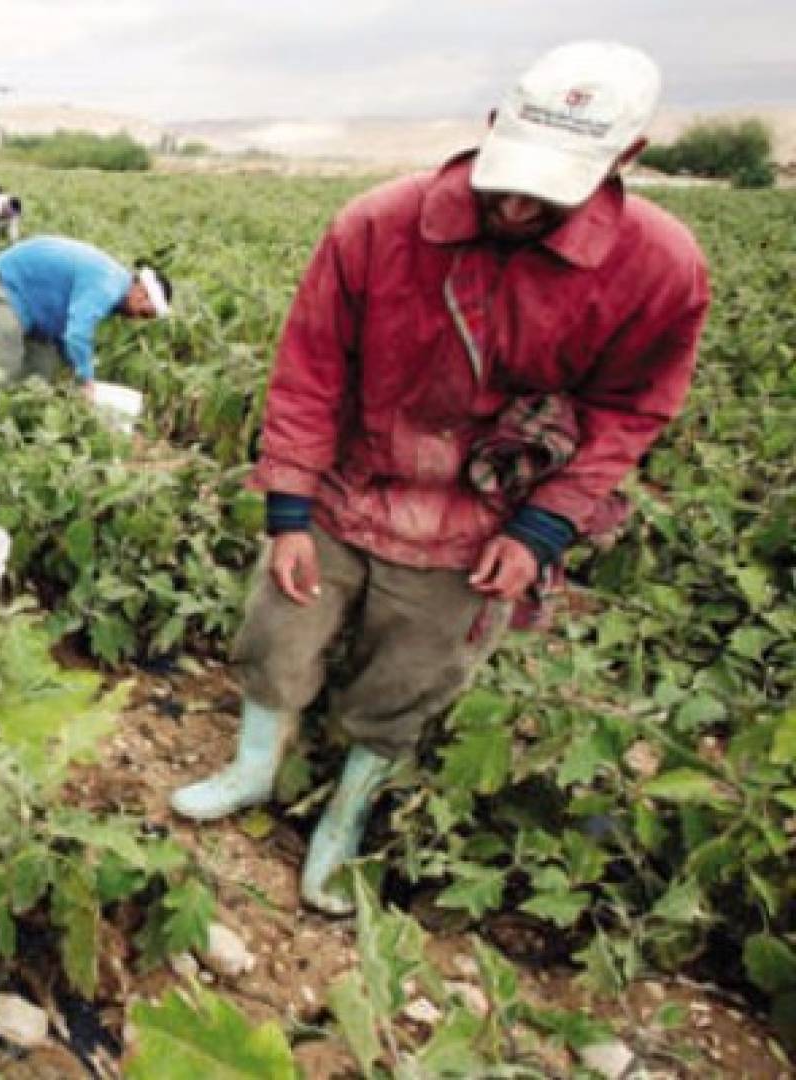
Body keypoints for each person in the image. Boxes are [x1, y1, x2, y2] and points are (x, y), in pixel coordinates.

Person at [168, 41, 709, 915]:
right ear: (493, 128)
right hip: (352, 484)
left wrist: (544, 525)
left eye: (552, 189)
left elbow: (631, 412)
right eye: (511, 177)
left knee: (412, 676)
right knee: (279, 631)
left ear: (627, 161)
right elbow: (308, 371)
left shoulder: (658, 269)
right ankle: (252, 768)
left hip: (481, 517)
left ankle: (344, 819)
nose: (521, 203)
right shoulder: (377, 225)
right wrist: (290, 509)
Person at [0, 235, 172, 396]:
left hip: (41, 306)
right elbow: (77, 334)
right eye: (145, 313)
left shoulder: (114, 287)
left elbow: (69, 328)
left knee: (40, 376)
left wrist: (74, 365)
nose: (138, 318)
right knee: (4, 367)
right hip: (11, 282)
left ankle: (19, 425)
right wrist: (86, 380)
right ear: (141, 293)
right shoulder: (108, 286)